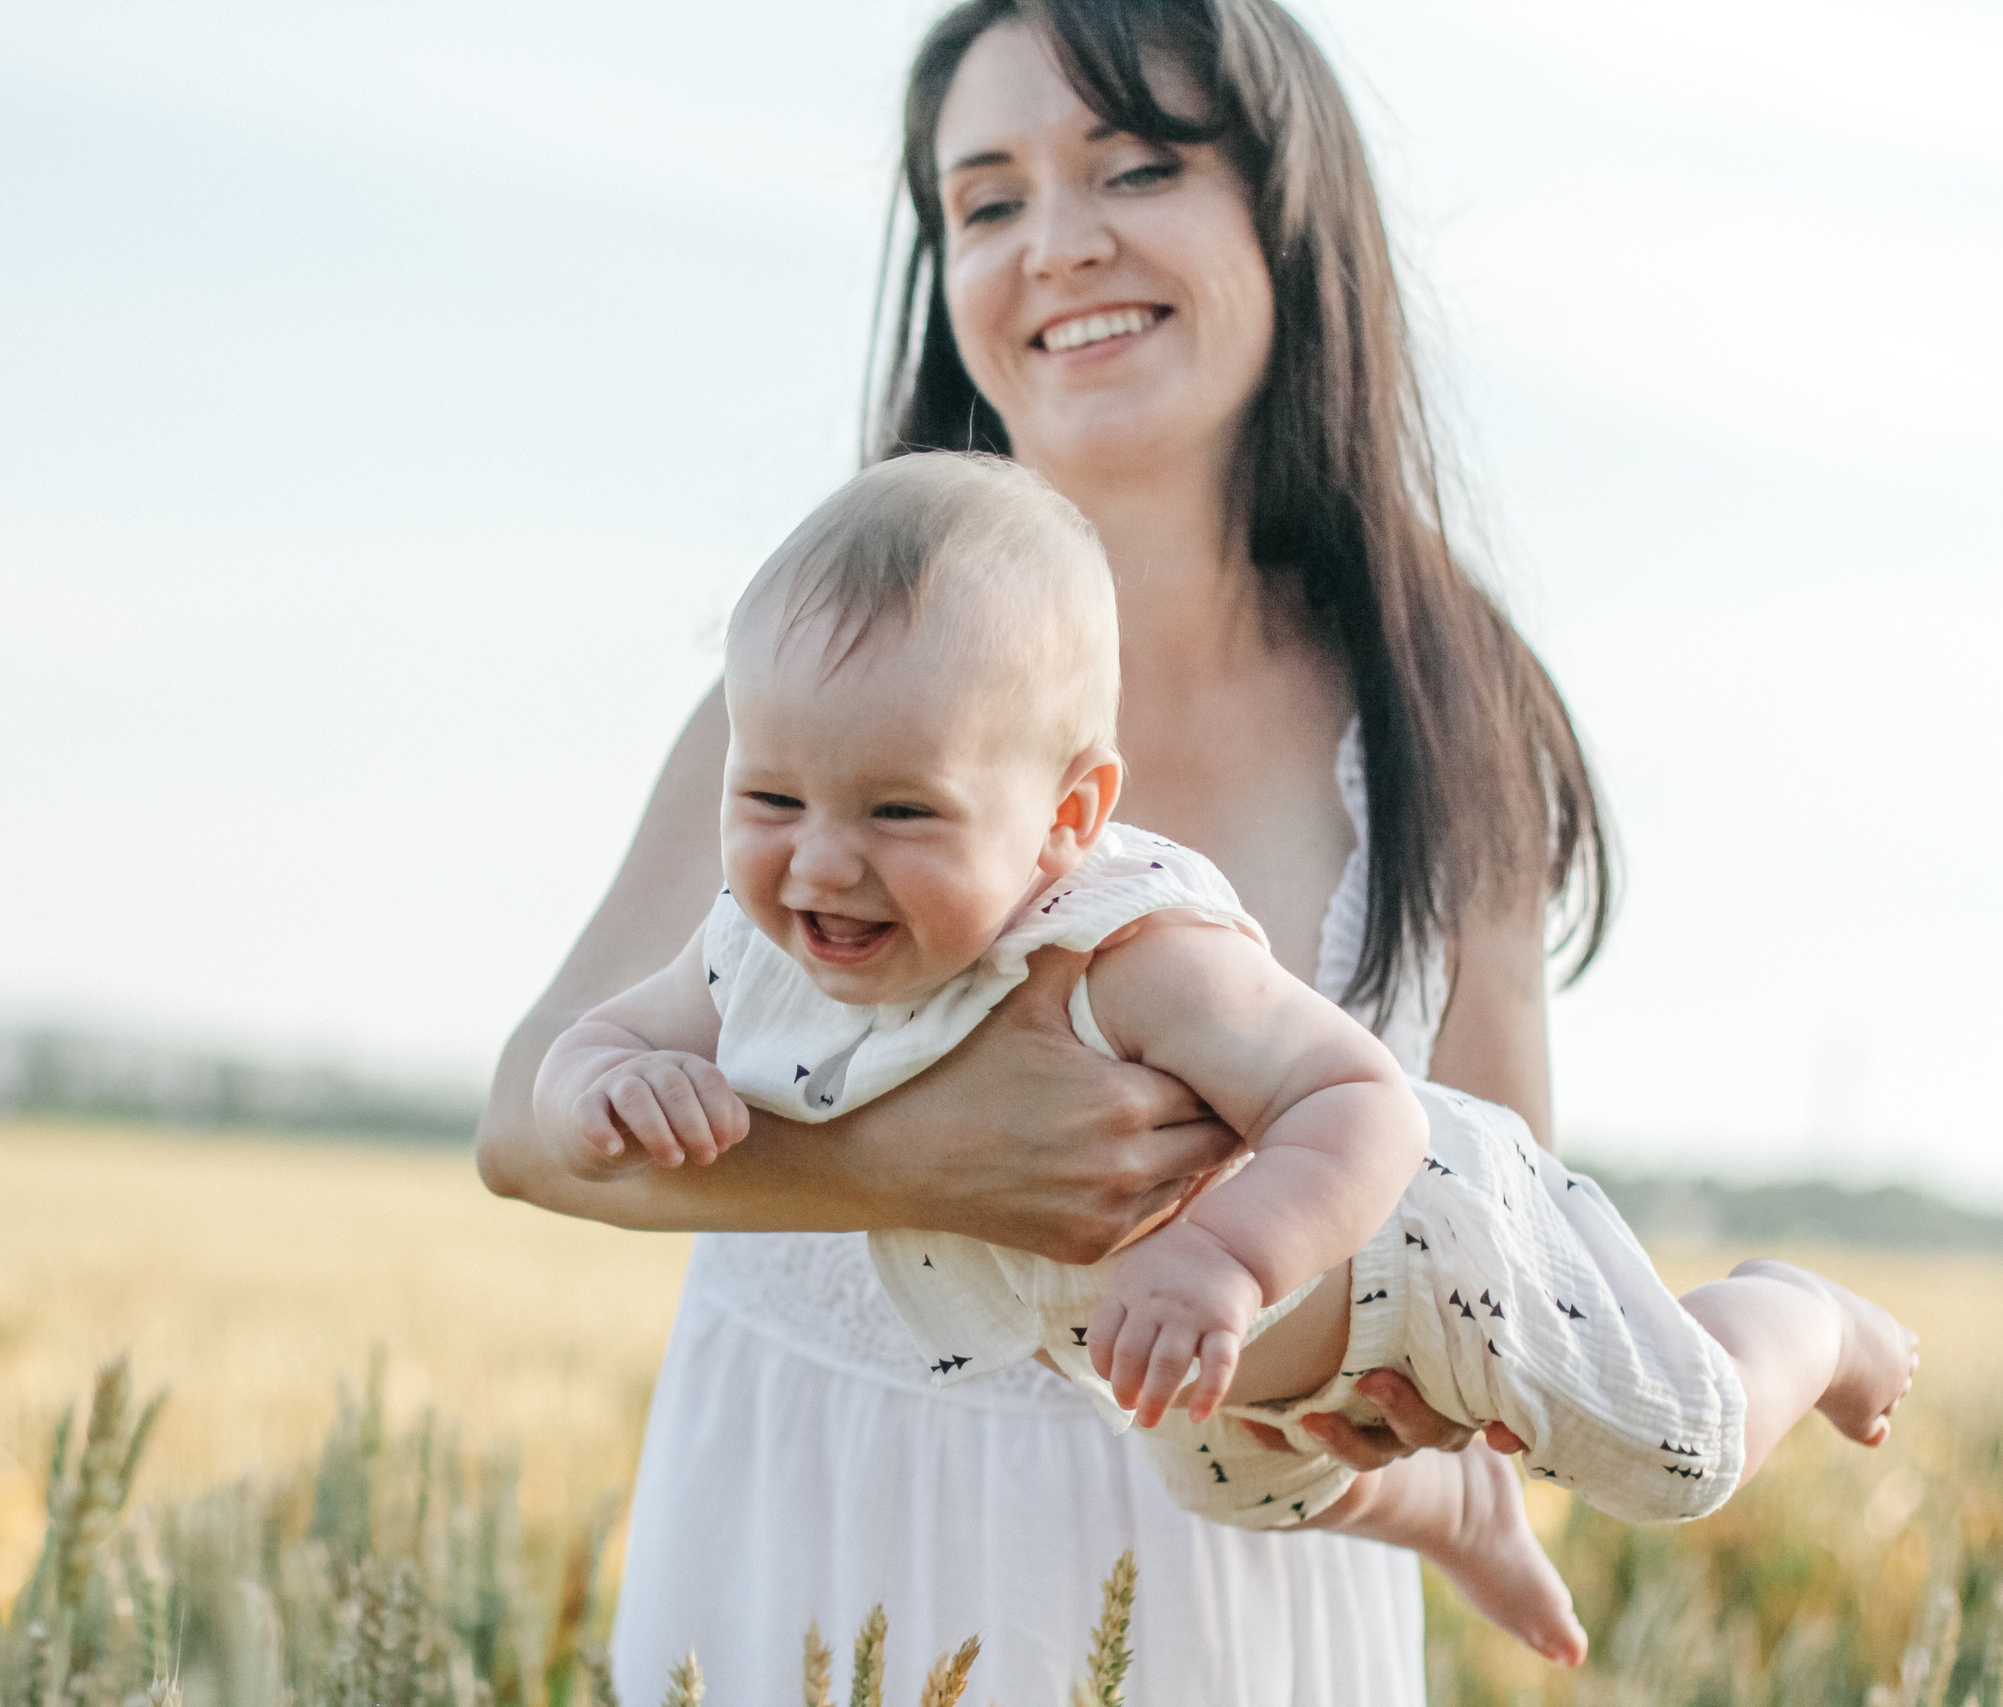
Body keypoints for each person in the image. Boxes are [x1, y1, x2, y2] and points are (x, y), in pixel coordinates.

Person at [477, 0, 1650, 1697]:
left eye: (1136, 166)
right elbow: (528, 1121)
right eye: (989, 200)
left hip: (1233, 1602)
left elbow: (1500, 1211)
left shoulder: (1433, 718)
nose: (1060, 244)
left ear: (1284, 211)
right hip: (816, 1542)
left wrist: (1408, 1420)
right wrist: (911, 1161)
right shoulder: (812, 730)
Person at [529, 451, 1917, 1671]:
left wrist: (1227, 1260)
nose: (822, 858)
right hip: (1209, 1387)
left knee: (1676, 1448)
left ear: (1067, 817)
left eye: (902, 810)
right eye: (771, 797)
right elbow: (591, 1044)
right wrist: (607, 1084)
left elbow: (1360, 1100)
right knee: (1227, 1481)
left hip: (1426, 1245)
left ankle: (1803, 1321)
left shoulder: (1123, 948)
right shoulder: (759, 947)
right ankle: (1451, 1518)